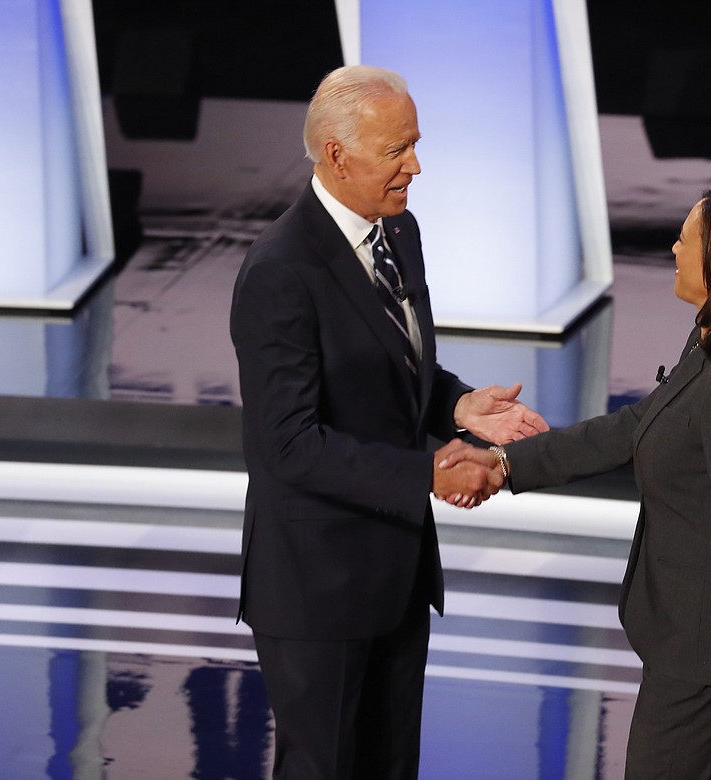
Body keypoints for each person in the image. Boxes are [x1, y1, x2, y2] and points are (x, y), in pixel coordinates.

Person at [229, 65, 547, 779]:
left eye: (416, 143)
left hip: (396, 573)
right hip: (318, 590)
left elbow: (392, 368)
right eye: (397, 149)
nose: (416, 165)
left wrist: (458, 405)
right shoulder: (280, 270)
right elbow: (284, 445)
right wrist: (427, 471)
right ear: (338, 155)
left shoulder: (398, 232)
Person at [453, 185, 711, 778]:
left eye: (688, 239)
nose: (674, 248)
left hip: (710, 664)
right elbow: (636, 426)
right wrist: (505, 464)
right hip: (689, 648)